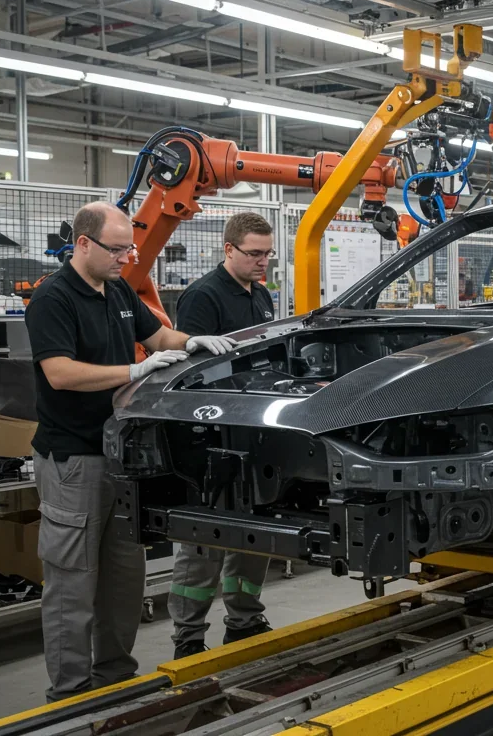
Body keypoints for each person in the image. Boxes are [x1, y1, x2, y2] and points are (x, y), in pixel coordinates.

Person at [26, 202, 238, 702]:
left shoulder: (118, 289)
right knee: (72, 584)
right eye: (118, 249)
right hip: (72, 460)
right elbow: (59, 371)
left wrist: (194, 343)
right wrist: (133, 371)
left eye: (131, 248)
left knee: (124, 579)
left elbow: (159, 335)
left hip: (121, 456)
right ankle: (72, 694)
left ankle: (116, 679)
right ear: (83, 244)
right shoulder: (52, 299)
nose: (128, 257)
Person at [168, 212, 277, 659]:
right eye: (254, 253)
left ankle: (245, 620)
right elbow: (191, 369)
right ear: (228, 249)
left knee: (255, 533)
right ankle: (189, 637)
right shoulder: (203, 297)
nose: (263, 262)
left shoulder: (262, 295)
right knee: (204, 539)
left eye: (268, 254)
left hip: (251, 431)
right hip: (209, 434)